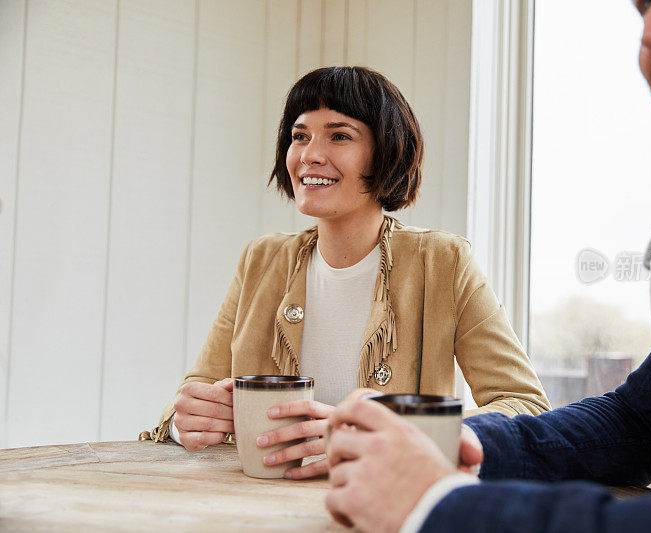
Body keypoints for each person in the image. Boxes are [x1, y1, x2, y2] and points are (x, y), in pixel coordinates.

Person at [323, 0, 651, 530]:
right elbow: (641, 423)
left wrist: (443, 508)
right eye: (645, 6)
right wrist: (463, 442)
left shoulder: (444, 259)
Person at [148, 66, 550, 480]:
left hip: (392, 508)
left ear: (386, 150)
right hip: (261, 506)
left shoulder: (443, 261)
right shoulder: (261, 259)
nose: (309, 154)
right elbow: (194, 393)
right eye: (300, 135)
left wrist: (397, 434)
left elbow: (524, 404)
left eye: (339, 135)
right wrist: (187, 423)